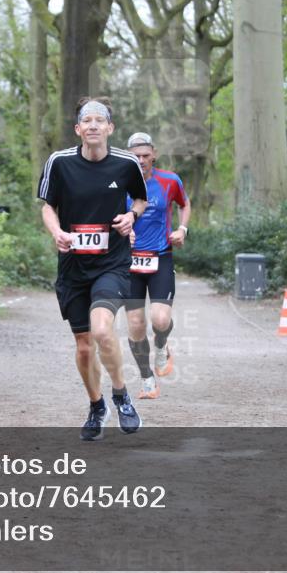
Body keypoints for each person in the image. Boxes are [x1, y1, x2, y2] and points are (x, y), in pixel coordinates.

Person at [39, 97, 148, 441]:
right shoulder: (59, 162)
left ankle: (121, 395)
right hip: (72, 264)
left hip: (111, 263)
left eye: (100, 120)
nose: (93, 125)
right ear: (78, 129)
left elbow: (141, 200)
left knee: (103, 331)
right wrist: (57, 232)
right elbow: (48, 206)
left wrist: (131, 216)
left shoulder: (126, 163)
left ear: (110, 128)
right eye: (87, 120)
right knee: (84, 345)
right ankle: (96, 404)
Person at [124, 132, 190, 399]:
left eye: (145, 156)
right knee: (137, 324)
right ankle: (146, 379)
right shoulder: (118, 183)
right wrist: (120, 231)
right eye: (135, 156)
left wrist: (183, 228)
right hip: (128, 260)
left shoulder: (169, 180)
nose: (141, 161)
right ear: (128, 156)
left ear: (154, 155)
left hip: (160, 256)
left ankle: (162, 346)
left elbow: (185, 204)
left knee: (160, 319)